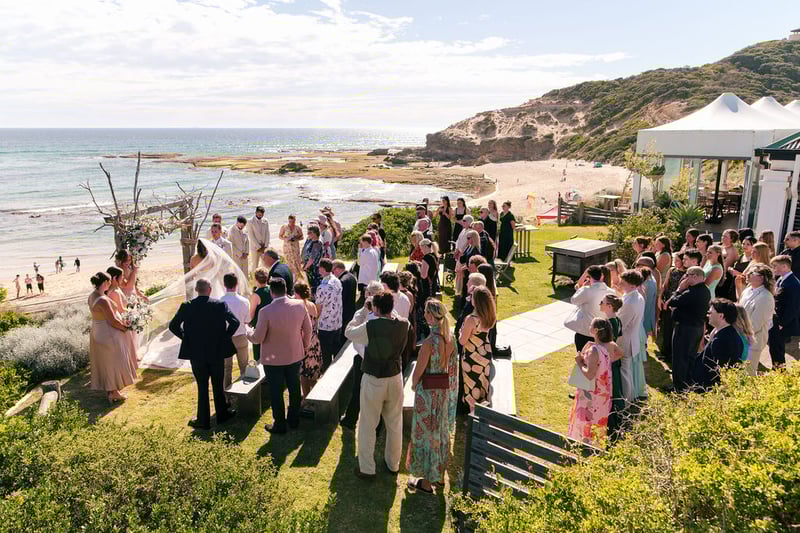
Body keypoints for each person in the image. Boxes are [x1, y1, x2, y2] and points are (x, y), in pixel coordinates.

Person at [346, 291, 410, 479]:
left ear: (375, 308)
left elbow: (349, 332)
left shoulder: (371, 326)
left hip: (374, 378)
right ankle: (393, 464)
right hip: (395, 377)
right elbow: (394, 317)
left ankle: (367, 468)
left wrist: (362, 312)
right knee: (394, 423)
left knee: (368, 423)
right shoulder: (404, 324)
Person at [169, 278, 239, 430]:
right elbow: (235, 322)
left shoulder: (187, 306)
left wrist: (186, 337)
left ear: (196, 290)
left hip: (197, 353)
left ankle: (203, 420)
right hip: (216, 352)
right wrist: (224, 337)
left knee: (202, 386)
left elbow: (173, 325)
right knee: (218, 384)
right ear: (210, 290)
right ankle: (222, 414)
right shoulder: (219, 305)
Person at [247, 277, 311, 434]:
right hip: (294, 355)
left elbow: (257, 338)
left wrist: (248, 331)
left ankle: (280, 424)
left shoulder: (265, 311)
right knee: (294, 388)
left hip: (273, 359)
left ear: (271, 292)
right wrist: (304, 346)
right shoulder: (299, 305)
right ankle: (294, 420)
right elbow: (308, 329)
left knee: (276, 392)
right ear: (286, 289)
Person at [405, 299, 456, 494]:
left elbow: (418, 370)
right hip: (443, 392)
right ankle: (439, 476)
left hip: (427, 393)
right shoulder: (450, 338)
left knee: (425, 435)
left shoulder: (429, 343)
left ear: (431, 316)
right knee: (440, 434)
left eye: (426, 312)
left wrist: (413, 384)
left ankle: (426, 482)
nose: (424, 314)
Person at [340, 281, 386, 429]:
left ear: (369, 294)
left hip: (365, 358)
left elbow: (351, 333)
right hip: (379, 359)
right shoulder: (388, 312)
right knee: (375, 394)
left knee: (358, 391)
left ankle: (352, 419)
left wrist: (365, 311)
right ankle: (370, 423)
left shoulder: (364, 314)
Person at [88, 272, 136, 404]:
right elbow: (113, 320)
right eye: (109, 281)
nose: (110, 284)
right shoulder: (102, 300)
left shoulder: (92, 296)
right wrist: (125, 328)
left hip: (98, 331)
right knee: (114, 363)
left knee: (106, 363)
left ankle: (111, 390)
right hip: (108, 334)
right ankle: (114, 393)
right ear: (105, 283)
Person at [567, 318, 615, 444]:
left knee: (586, 424)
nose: (589, 327)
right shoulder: (604, 348)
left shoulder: (594, 350)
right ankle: (593, 449)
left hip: (591, 395)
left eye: (591, 325)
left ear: (596, 330)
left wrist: (579, 362)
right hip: (602, 395)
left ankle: (582, 448)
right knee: (597, 426)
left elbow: (589, 374)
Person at [667, 266, 711, 392]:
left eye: (687, 275)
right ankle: (687, 383)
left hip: (685, 329)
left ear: (695, 276)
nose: (684, 278)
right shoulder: (705, 290)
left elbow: (672, 302)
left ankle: (679, 388)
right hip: (696, 328)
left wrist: (679, 289)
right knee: (690, 357)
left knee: (680, 358)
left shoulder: (691, 292)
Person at [458, 286, 496, 413]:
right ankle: (481, 417)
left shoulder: (471, 319)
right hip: (485, 354)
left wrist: (460, 332)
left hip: (471, 357)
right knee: (482, 388)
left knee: (472, 391)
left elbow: (462, 341)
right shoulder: (489, 316)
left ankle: (473, 418)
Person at [692, 299, 744, 391]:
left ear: (721, 316)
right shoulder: (729, 333)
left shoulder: (721, 340)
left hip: (710, 390)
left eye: (710, 313)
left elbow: (718, 372)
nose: (707, 315)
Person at [738, 264, 775, 375]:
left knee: (748, 373)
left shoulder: (766, 297)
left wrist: (739, 333)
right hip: (741, 336)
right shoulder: (747, 290)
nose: (747, 274)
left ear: (761, 278)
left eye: (752, 273)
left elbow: (756, 324)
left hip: (753, 341)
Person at [567, 265, 613, 353]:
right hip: (603, 332)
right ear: (602, 276)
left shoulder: (586, 290)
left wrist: (581, 288)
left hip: (586, 331)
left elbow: (574, 300)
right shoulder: (611, 291)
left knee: (583, 356)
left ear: (590, 277)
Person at [617, 269, 645, 402]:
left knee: (624, 372)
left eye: (623, 283)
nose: (620, 284)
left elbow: (620, 324)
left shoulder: (630, 302)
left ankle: (627, 401)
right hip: (631, 339)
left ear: (633, 286)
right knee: (626, 371)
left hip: (625, 341)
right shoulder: (636, 296)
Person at [768, 255, 800, 369]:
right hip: (776, 320)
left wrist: (782, 323)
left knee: (778, 349)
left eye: (775, 266)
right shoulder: (781, 279)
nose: (774, 269)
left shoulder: (793, 283)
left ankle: (780, 372)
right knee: (774, 347)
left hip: (781, 323)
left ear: (785, 266)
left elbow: (793, 307)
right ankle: (777, 370)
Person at [220, 273, 251, 395]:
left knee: (226, 369)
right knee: (244, 366)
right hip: (241, 336)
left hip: (225, 337)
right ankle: (244, 394)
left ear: (224, 284)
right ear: (237, 284)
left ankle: (226, 395)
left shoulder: (220, 301)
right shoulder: (244, 301)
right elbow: (247, 320)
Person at [105, 266, 138, 374]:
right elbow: (120, 310)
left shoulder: (116, 289)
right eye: (121, 276)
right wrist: (135, 313)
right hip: (121, 322)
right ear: (115, 278)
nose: (123, 278)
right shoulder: (114, 292)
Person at [295, 281, 322, 398]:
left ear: (297, 293)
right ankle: (314, 397)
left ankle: (306, 397)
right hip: (314, 341)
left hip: (304, 342)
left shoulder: (298, 307)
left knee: (303, 373)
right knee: (313, 373)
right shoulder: (312, 305)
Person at [316, 258, 343, 370]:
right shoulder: (337, 281)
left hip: (325, 325)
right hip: (337, 322)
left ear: (322, 269)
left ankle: (327, 373)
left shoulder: (322, 287)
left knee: (326, 354)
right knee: (336, 351)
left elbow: (318, 308)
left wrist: (314, 320)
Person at [659, 252, 685, 362]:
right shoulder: (672, 270)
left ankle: (672, 355)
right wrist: (660, 297)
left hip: (677, 303)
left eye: (677, 260)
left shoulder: (687, 273)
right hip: (668, 300)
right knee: (666, 328)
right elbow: (665, 285)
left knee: (674, 329)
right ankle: (665, 352)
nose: (675, 262)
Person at [248, 268, 270, 362]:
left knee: (258, 354)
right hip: (272, 324)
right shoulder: (272, 289)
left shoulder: (256, 295)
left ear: (256, 279)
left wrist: (248, 323)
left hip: (260, 326)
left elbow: (251, 313)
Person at [333, 260, 357, 345]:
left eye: (333, 271)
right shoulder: (352, 277)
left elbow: (341, 300)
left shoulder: (342, 281)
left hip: (344, 312)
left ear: (337, 269)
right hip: (351, 309)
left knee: (343, 337)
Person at [279, 214, 304, 282]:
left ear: (295, 221)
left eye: (293, 222)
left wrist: (296, 238)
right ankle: (290, 279)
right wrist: (285, 239)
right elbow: (280, 236)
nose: (291, 223)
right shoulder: (284, 227)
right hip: (287, 248)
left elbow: (302, 237)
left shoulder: (298, 228)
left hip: (295, 248)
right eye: (290, 221)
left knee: (297, 263)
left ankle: (298, 279)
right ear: (288, 220)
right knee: (289, 263)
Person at [301, 225, 324, 298]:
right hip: (309, 267)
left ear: (315, 233)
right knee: (310, 284)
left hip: (314, 268)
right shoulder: (310, 241)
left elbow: (312, 259)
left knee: (314, 285)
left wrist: (305, 267)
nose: (308, 234)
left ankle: (315, 299)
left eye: (310, 233)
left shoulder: (317, 243)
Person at [357, 234, 381, 302]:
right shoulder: (373, 250)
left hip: (366, 276)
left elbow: (359, 262)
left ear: (365, 242)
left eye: (361, 242)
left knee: (367, 294)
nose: (361, 244)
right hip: (372, 274)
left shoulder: (367, 252)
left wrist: (359, 250)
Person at [247, 206, 270, 273]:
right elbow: (251, 236)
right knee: (255, 265)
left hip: (264, 247)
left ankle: (265, 277)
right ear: (256, 212)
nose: (260, 215)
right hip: (255, 248)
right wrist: (259, 247)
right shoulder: (250, 221)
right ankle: (254, 278)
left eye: (262, 214)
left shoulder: (265, 221)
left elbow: (267, 233)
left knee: (265, 264)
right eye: (259, 213)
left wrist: (265, 246)